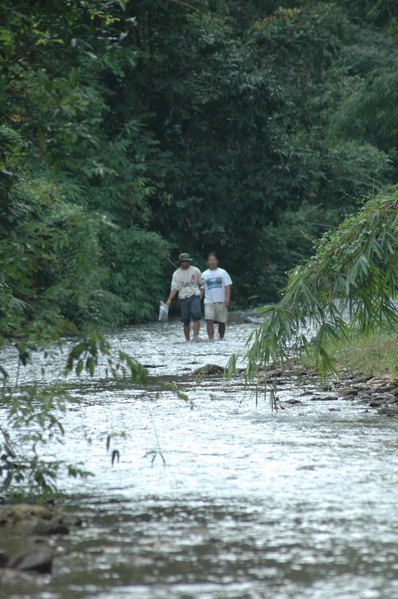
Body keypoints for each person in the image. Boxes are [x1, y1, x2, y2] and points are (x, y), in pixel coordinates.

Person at [165, 253, 205, 341]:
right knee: (185, 320)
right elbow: (174, 288)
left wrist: (200, 294)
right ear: (180, 262)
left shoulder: (195, 270)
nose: (185, 263)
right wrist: (169, 299)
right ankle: (187, 339)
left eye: (186, 261)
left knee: (196, 316)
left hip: (195, 295)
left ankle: (195, 336)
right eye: (183, 261)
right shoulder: (176, 274)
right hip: (183, 297)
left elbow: (202, 283)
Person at [201, 252, 232, 340]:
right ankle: (211, 339)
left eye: (214, 260)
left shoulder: (223, 272)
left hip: (221, 300)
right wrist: (198, 300)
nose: (212, 262)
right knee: (209, 321)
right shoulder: (204, 274)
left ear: (217, 261)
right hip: (208, 300)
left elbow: (227, 286)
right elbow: (202, 289)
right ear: (208, 262)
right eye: (210, 260)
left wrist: (227, 298)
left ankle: (221, 338)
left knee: (221, 322)